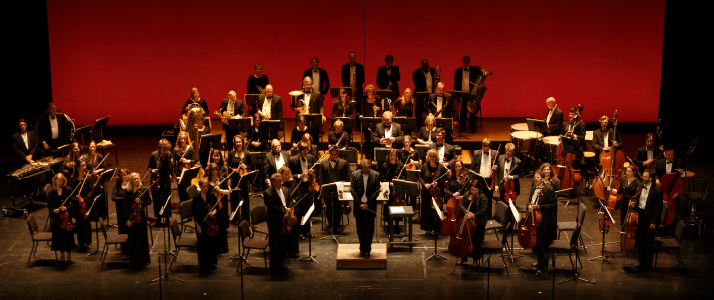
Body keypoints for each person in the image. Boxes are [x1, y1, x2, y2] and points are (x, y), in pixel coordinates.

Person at [630, 169, 663, 271]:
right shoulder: (639, 187)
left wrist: (654, 222)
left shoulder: (657, 191)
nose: (642, 178)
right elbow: (638, 202)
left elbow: (658, 209)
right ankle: (641, 262)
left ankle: (648, 264)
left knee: (648, 242)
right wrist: (633, 205)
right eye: (643, 176)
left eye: (645, 176)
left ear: (651, 179)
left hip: (649, 219)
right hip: (639, 216)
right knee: (640, 240)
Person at [264, 173, 293, 275]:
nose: (281, 183)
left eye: (281, 181)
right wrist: (284, 210)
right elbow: (271, 206)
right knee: (274, 245)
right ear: (272, 183)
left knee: (283, 244)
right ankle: (273, 266)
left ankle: (280, 264)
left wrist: (289, 209)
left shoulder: (286, 189)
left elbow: (290, 201)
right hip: (275, 222)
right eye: (278, 182)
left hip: (285, 221)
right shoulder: (268, 193)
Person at [528, 170, 557, 275]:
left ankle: (543, 266)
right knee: (537, 243)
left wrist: (539, 207)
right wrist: (529, 205)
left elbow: (553, 206)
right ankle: (540, 261)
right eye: (535, 177)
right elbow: (529, 200)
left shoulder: (549, 190)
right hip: (534, 218)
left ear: (543, 179)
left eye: (538, 177)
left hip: (544, 220)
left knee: (541, 243)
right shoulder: (533, 189)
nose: (535, 179)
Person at [351, 159, 380, 258]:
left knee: (369, 230)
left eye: (367, 170)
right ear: (360, 167)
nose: (365, 171)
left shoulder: (376, 175)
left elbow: (376, 191)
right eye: (363, 170)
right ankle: (362, 248)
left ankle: (367, 249)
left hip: (370, 206)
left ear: (370, 167)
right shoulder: (355, 174)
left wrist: (367, 203)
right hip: (359, 207)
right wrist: (360, 204)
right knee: (360, 229)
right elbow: (353, 190)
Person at [288, 142, 317, 240]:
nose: (305, 152)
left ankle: (306, 230)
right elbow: (289, 174)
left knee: (307, 209)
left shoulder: (311, 158)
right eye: (303, 150)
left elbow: (317, 169)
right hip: (298, 187)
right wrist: (299, 176)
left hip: (308, 186)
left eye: (307, 150)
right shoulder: (292, 160)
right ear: (299, 151)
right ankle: (299, 231)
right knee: (299, 210)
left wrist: (313, 172)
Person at [318, 146, 350, 234]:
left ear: (338, 154)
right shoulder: (323, 163)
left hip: (339, 190)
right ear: (329, 153)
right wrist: (322, 188)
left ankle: (337, 226)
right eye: (332, 154)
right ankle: (331, 226)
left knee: (338, 208)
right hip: (327, 190)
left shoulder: (344, 162)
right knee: (329, 209)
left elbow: (347, 177)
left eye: (335, 154)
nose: (333, 156)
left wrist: (346, 189)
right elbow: (321, 178)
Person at [124, 172, 151, 267]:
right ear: (131, 180)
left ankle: (143, 259)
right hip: (131, 216)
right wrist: (127, 219)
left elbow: (149, 201)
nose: (136, 180)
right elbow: (126, 205)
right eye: (134, 179)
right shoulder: (128, 190)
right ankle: (134, 259)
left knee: (142, 238)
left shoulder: (144, 189)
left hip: (141, 216)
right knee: (132, 238)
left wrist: (141, 202)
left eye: (138, 178)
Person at [192, 178, 220, 271]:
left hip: (210, 223)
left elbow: (216, 207)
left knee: (211, 243)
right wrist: (198, 226)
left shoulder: (211, 196)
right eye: (204, 186)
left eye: (207, 186)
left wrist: (214, 212)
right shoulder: (196, 199)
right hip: (201, 224)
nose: (206, 188)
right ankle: (203, 264)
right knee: (202, 244)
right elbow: (195, 214)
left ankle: (211, 262)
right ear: (200, 187)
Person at [420, 149, 449, 234]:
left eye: (434, 156)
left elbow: (445, 177)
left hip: (437, 192)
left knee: (437, 210)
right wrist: (425, 184)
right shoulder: (425, 165)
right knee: (427, 209)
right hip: (427, 192)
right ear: (428, 157)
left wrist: (438, 182)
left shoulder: (441, 166)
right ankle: (428, 228)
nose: (432, 158)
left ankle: (437, 228)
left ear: (436, 157)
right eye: (431, 156)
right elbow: (420, 177)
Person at [460, 181, 489, 264]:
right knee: (464, 240)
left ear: (479, 189)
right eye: (472, 190)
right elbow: (461, 205)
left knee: (476, 241)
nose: (473, 192)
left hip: (478, 222)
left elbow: (483, 210)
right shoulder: (467, 194)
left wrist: (473, 215)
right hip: (467, 221)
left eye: (475, 190)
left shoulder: (483, 197)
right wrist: (466, 211)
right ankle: (463, 258)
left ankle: (475, 259)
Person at [48, 173, 74, 262]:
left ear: (64, 181)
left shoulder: (68, 190)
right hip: (57, 218)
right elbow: (49, 207)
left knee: (67, 235)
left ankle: (69, 254)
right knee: (60, 236)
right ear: (54, 181)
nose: (59, 182)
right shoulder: (51, 192)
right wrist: (54, 210)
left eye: (61, 181)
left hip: (66, 217)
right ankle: (62, 254)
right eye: (58, 180)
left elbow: (73, 204)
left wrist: (66, 208)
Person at [148, 139, 174, 225]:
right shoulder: (154, 155)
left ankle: (167, 218)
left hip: (166, 179)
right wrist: (153, 170)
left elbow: (170, 167)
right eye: (164, 150)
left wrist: (172, 175)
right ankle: (158, 218)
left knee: (166, 199)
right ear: (160, 149)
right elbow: (149, 167)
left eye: (167, 150)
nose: (165, 152)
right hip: (156, 180)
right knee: (157, 199)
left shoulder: (169, 154)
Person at [226, 135, 252, 221]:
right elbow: (228, 166)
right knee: (234, 199)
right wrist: (233, 169)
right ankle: (235, 217)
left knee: (245, 199)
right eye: (236, 142)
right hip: (235, 179)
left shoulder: (247, 153)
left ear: (242, 142)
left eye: (239, 142)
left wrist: (245, 166)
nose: (238, 143)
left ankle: (245, 217)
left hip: (244, 179)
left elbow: (251, 165)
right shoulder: (231, 153)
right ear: (234, 143)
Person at [205, 163, 230, 254]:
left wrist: (219, 190)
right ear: (210, 171)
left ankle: (222, 248)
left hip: (220, 207)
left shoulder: (222, 180)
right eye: (213, 170)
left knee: (221, 227)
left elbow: (228, 191)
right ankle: (213, 247)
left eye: (216, 169)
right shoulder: (207, 182)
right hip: (211, 207)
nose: (215, 171)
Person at [70, 160, 94, 248]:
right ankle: (81, 242)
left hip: (86, 201)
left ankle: (88, 242)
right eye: (81, 166)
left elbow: (92, 190)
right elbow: (71, 190)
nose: (84, 167)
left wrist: (84, 198)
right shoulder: (73, 178)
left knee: (87, 222)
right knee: (79, 222)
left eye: (85, 165)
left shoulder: (88, 177)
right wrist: (76, 197)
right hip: (76, 201)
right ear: (77, 167)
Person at [380, 149, 405, 234]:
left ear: (396, 156)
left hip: (398, 190)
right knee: (388, 205)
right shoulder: (384, 165)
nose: (392, 157)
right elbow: (382, 177)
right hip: (388, 189)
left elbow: (405, 177)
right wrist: (389, 183)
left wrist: (398, 181)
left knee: (398, 206)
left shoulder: (401, 165)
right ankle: (389, 224)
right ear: (388, 156)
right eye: (391, 155)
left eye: (394, 155)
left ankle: (397, 224)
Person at [471, 138, 498, 216]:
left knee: (489, 199)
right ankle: (477, 215)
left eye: (486, 146)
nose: (485, 148)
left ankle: (488, 216)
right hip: (479, 179)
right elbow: (473, 166)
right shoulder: (476, 153)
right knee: (477, 198)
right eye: (483, 146)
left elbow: (499, 167)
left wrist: (496, 166)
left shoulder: (495, 153)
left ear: (490, 146)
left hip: (489, 180)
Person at [454, 56, 481, 133]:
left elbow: (478, 79)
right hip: (462, 94)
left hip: (471, 93)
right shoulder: (458, 71)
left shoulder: (474, 70)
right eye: (465, 62)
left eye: (467, 62)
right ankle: (462, 127)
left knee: (472, 111)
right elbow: (456, 83)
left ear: (469, 62)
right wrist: (456, 95)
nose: (466, 64)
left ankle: (472, 127)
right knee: (463, 111)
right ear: (463, 62)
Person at [609, 165, 640, 230]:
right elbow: (619, 191)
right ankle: (622, 236)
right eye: (627, 171)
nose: (627, 173)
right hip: (623, 204)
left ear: (634, 172)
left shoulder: (637, 182)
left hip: (631, 205)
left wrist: (634, 202)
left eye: (629, 171)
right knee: (623, 222)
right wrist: (611, 189)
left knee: (630, 223)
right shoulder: (624, 180)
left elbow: (638, 195)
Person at [277, 166, 301, 254]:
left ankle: (293, 250)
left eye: (288, 174)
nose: (286, 176)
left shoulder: (293, 182)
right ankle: (284, 249)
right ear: (280, 174)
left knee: (294, 228)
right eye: (284, 175)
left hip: (292, 207)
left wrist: (293, 201)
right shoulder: (278, 183)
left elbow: (298, 195)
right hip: (282, 207)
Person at [412, 60, 440, 129]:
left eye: (427, 66)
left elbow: (436, 81)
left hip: (431, 95)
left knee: (430, 111)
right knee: (419, 112)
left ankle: (430, 127)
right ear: (421, 66)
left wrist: (437, 82)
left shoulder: (433, 71)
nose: (426, 68)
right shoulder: (416, 73)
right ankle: (419, 128)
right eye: (424, 66)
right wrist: (425, 90)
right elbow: (417, 84)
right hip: (420, 95)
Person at [341, 52, 365, 121]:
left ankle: (358, 124)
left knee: (358, 107)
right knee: (347, 106)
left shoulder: (360, 67)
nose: (352, 59)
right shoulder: (344, 67)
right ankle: (348, 122)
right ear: (349, 58)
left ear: (355, 58)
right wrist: (350, 88)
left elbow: (362, 78)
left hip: (358, 90)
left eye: (353, 57)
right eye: (351, 57)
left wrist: (355, 88)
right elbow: (343, 79)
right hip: (348, 91)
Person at [111, 168, 130, 253]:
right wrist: (125, 199)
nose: (126, 176)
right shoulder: (117, 184)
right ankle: (124, 247)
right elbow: (113, 197)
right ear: (120, 176)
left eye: (127, 174)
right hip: (121, 210)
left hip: (130, 210)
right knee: (122, 228)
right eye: (124, 175)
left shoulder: (132, 183)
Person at [174, 131, 197, 202]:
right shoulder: (176, 150)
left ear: (186, 139)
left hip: (187, 172)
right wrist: (174, 175)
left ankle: (188, 205)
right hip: (179, 172)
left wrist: (186, 161)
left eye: (184, 139)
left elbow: (195, 159)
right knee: (180, 190)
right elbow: (174, 163)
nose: (183, 140)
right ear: (179, 139)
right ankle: (181, 206)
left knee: (187, 189)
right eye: (181, 139)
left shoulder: (190, 149)